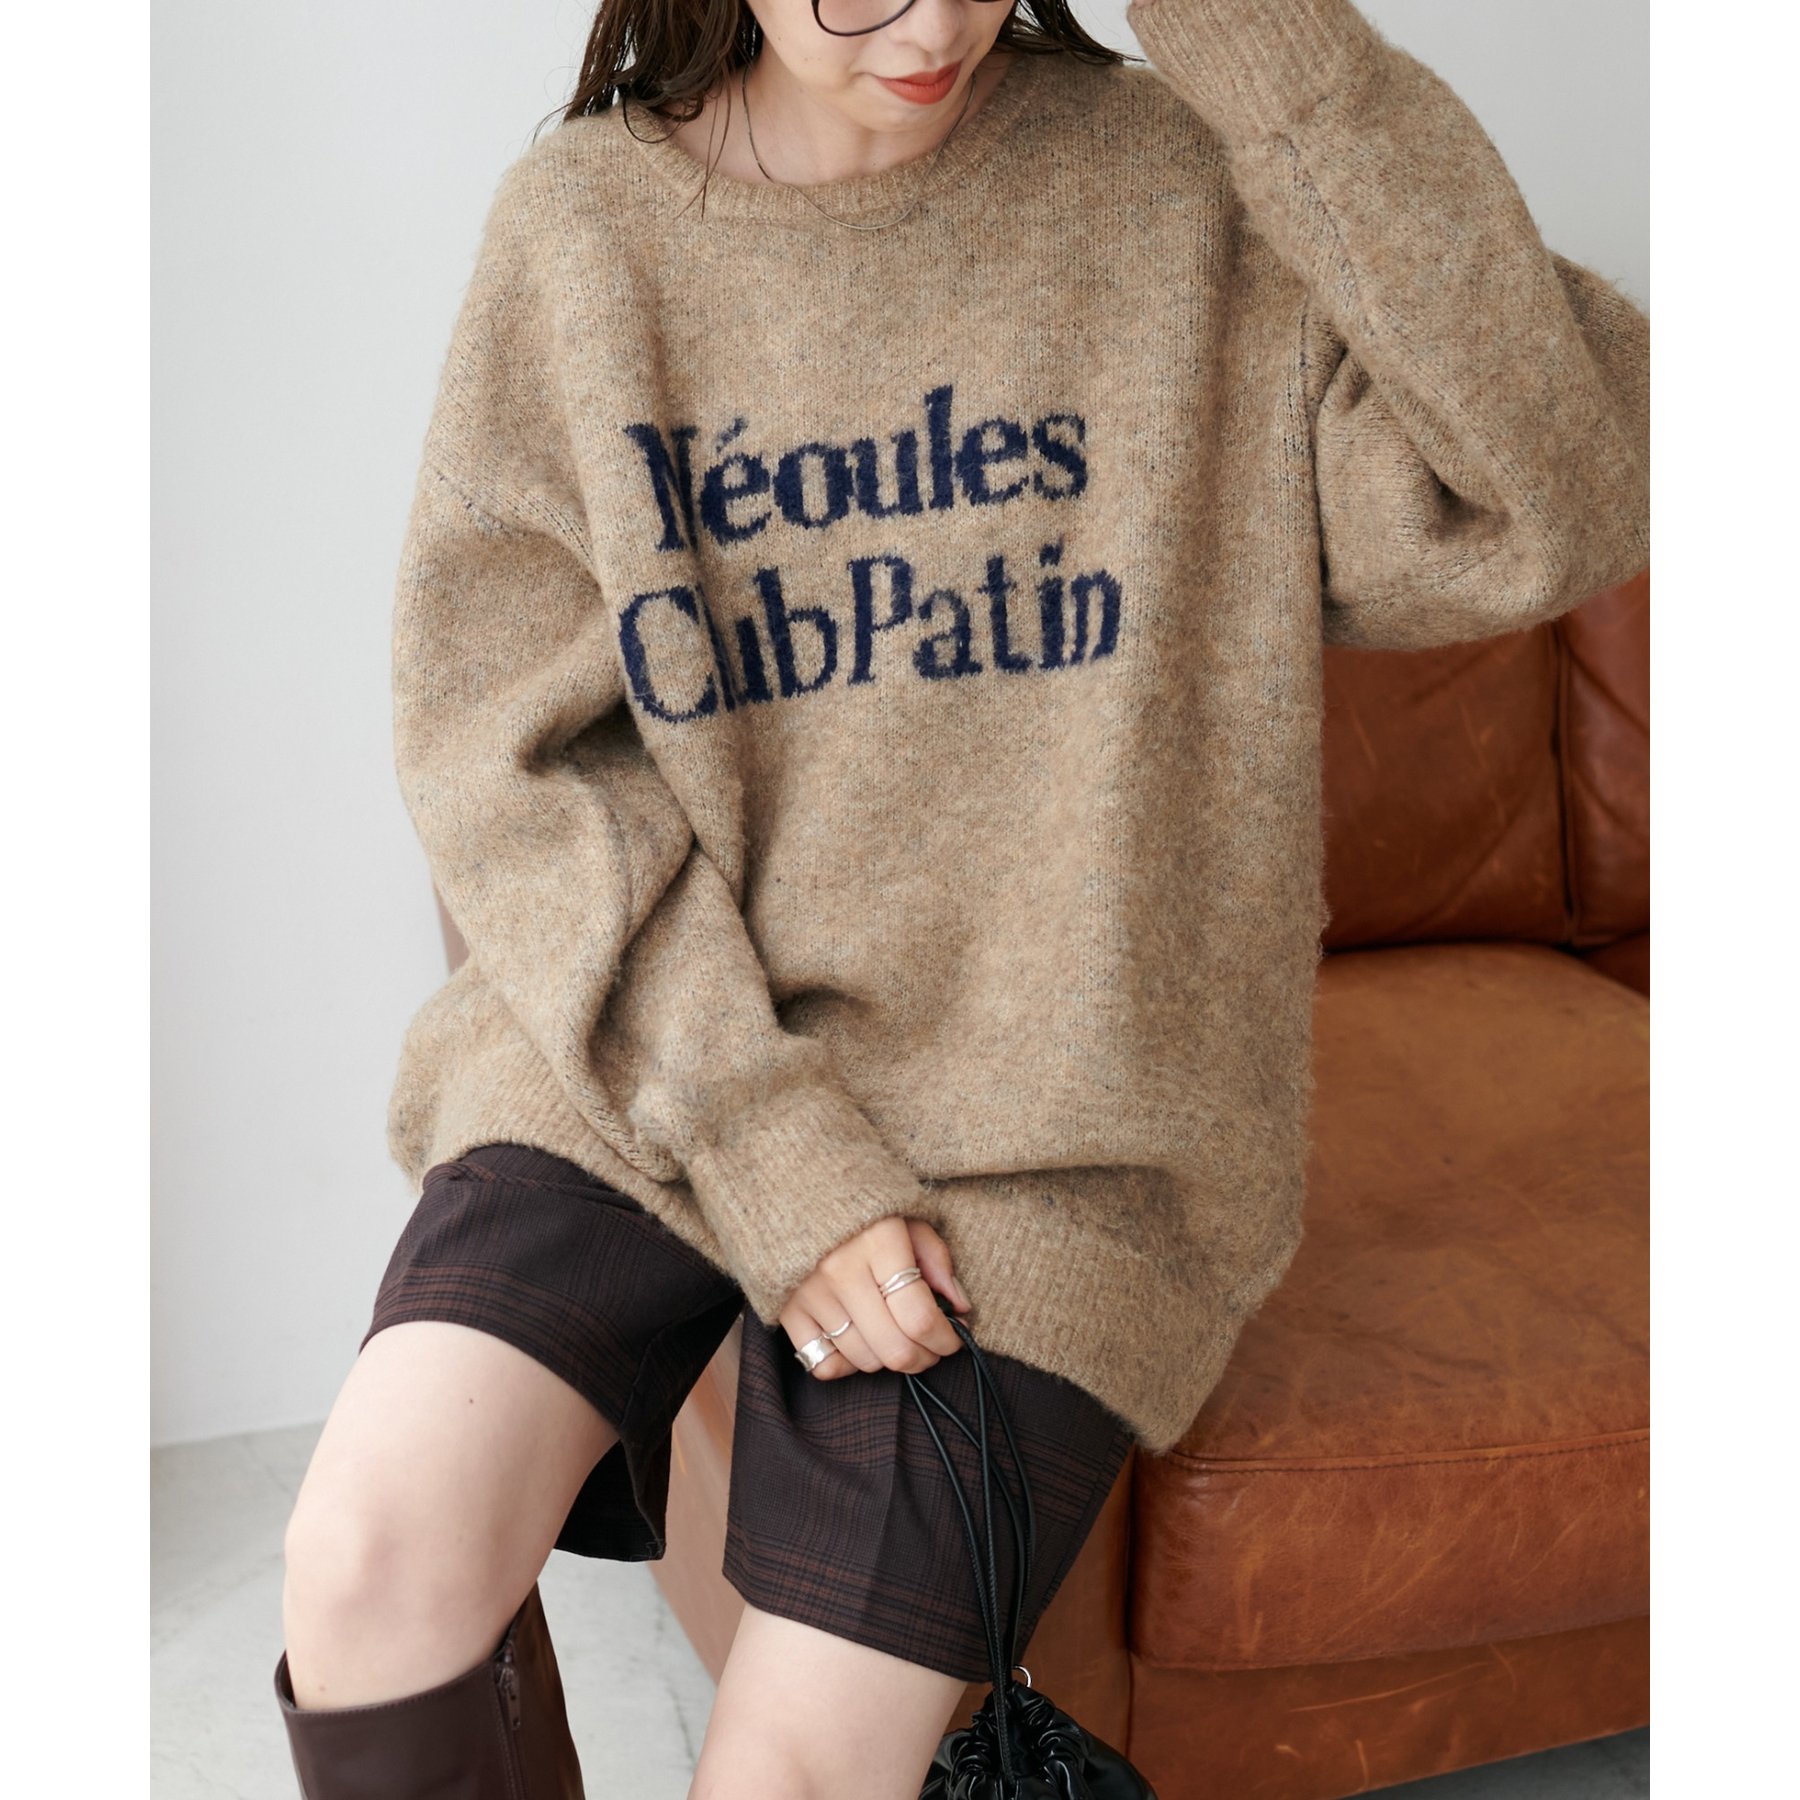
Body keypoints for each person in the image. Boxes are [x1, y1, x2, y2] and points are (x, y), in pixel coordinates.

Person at [272, 0, 1651, 1795]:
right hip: (664, 1041)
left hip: (1051, 1114)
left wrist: (1267, 44)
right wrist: (776, 1155)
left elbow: (1563, 494)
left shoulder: (1183, 187)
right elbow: (511, 751)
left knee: (795, 1770)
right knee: (365, 1567)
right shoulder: (585, 234)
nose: (929, 27)